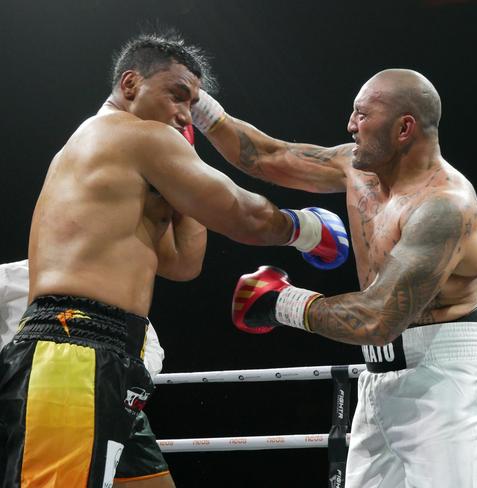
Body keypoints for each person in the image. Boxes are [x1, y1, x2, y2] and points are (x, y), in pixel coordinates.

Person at [0, 31, 349, 488]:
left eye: (191, 103)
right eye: (176, 95)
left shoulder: (115, 155)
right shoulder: (126, 133)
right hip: (73, 351)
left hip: (108, 355)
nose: (184, 113)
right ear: (130, 85)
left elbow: (183, 263)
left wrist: (185, 177)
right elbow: (240, 213)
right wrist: (305, 229)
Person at [191, 68, 477, 488]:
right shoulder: (355, 168)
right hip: (376, 376)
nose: (350, 125)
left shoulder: (443, 207)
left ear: (404, 128)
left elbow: (378, 320)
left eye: (361, 115)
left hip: (444, 380)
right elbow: (263, 156)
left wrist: (282, 302)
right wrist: (196, 103)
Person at [0, 259, 171, 487]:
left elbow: (150, 345)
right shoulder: (12, 275)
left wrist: (122, 384)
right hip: (34, 391)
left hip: (110, 391)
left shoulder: (112, 288)